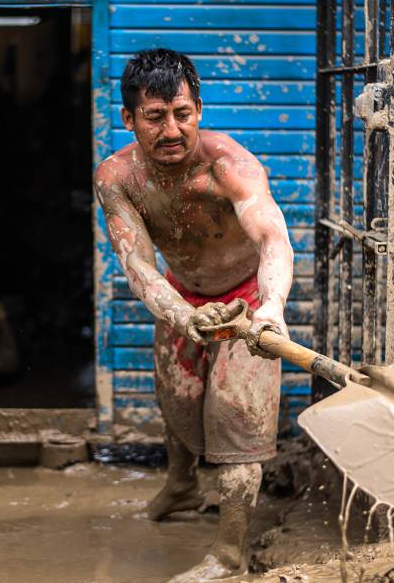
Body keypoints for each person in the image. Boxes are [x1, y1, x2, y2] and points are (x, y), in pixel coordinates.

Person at [93, 48, 294, 582]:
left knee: (235, 424)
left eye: (182, 113)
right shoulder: (116, 177)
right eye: (155, 117)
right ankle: (182, 484)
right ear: (129, 119)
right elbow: (135, 262)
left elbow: (273, 235)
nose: (171, 130)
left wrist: (271, 306)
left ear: (199, 108)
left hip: (248, 303)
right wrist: (182, 315)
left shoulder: (230, 164)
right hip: (180, 297)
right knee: (178, 405)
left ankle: (230, 554)